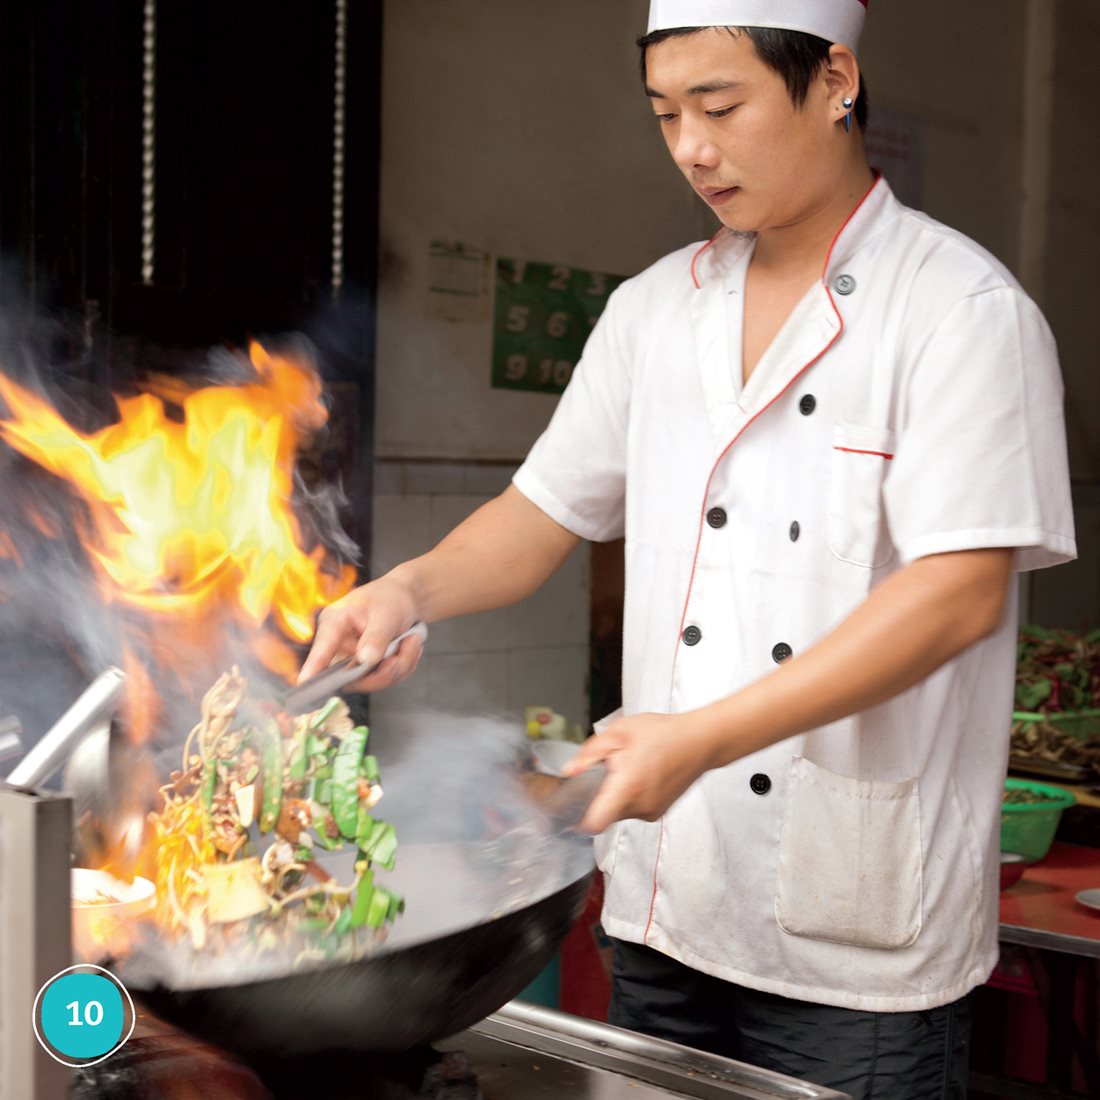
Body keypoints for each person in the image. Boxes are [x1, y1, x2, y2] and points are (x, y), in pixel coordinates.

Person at [300, 1, 1076, 1094]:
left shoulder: (958, 310)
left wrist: (698, 736)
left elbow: (955, 596)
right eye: (665, 114)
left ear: (833, 78)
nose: (691, 148)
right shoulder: (651, 311)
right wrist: (406, 587)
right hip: (665, 903)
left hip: (853, 944)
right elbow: (537, 516)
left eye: (719, 105)